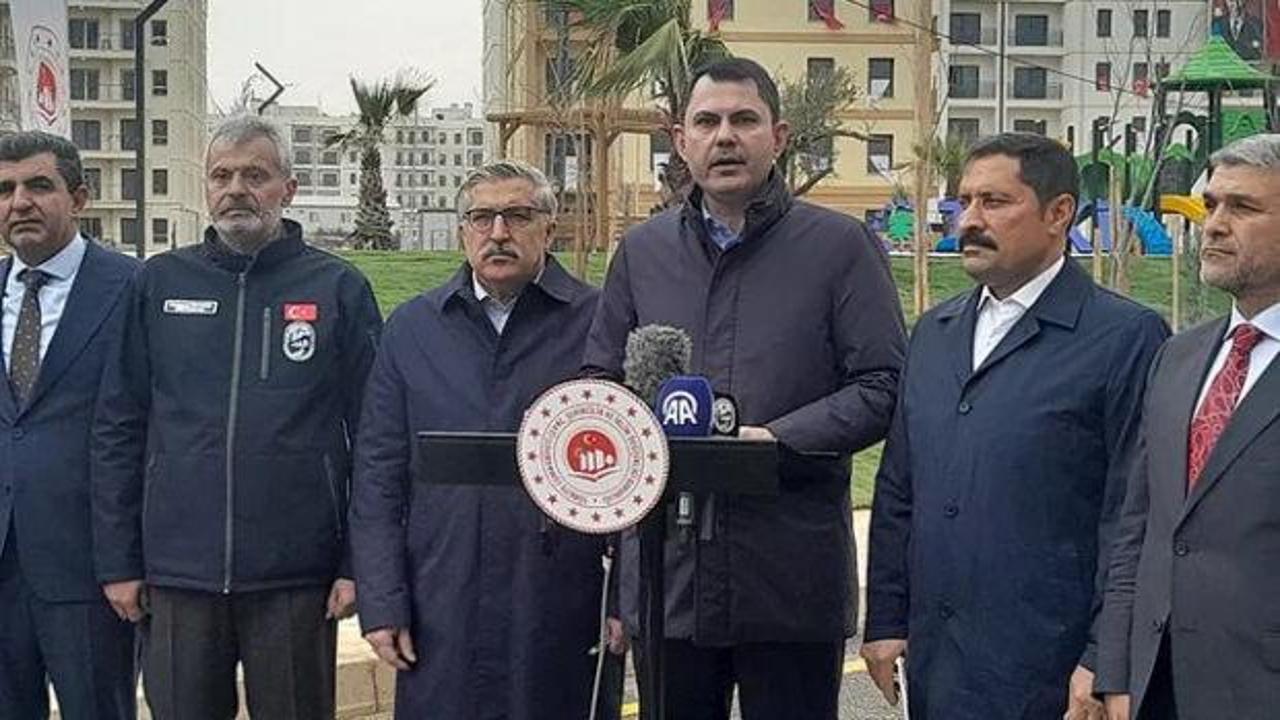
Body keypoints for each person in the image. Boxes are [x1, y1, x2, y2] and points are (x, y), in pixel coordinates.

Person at [583, 57, 907, 719]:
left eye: (743, 120)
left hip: (789, 578)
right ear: (681, 141)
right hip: (668, 584)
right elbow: (601, 384)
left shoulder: (840, 247)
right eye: (707, 122)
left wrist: (776, 441)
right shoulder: (642, 253)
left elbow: (883, 385)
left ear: (778, 136)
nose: (724, 136)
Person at [861, 132, 1169, 720]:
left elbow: (1132, 514)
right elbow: (899, 486)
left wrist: (1105, 656)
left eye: (995, 202)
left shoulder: (1125, 339)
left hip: (1049, 671)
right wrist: (885, 619)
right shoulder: (934, 333)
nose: (969, 221)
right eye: (964, 202)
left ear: (1059, 214)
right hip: (938, 664)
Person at [91, 115, 383, 719]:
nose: (236, 189)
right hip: (178, 575)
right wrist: (119, 560)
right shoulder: (158, 284)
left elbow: (375, 438)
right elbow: (119, 426)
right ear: (205, 187)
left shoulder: (338, 288)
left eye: (255, 175)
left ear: (288, 188)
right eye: (221, 176)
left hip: (296, 577)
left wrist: (358, 564)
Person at [350, 160, 622, 719]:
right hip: (439, 602)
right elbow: (378, 474)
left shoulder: (600, 325)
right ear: (462, 232)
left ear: (549, 228)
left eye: (517, 215)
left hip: (562, 602)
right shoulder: (413, 329)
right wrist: (381, 599)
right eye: (482, 217)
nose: (498, 233)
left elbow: (636, 477)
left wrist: (627, 598)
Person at [1096, 134, 1280, 720]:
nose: (1214, 224)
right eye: (1211, 204)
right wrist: (1115, 670)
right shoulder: (1178, 356)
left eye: (1242, 207)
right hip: (1157, 688)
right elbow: (1140, 525)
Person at [0, 132, 139, 719]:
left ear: (79, 198)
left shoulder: (132, 288)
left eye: (38, 185)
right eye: (5, 189)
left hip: (91, 572)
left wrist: (128, 561)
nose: (19, 202)